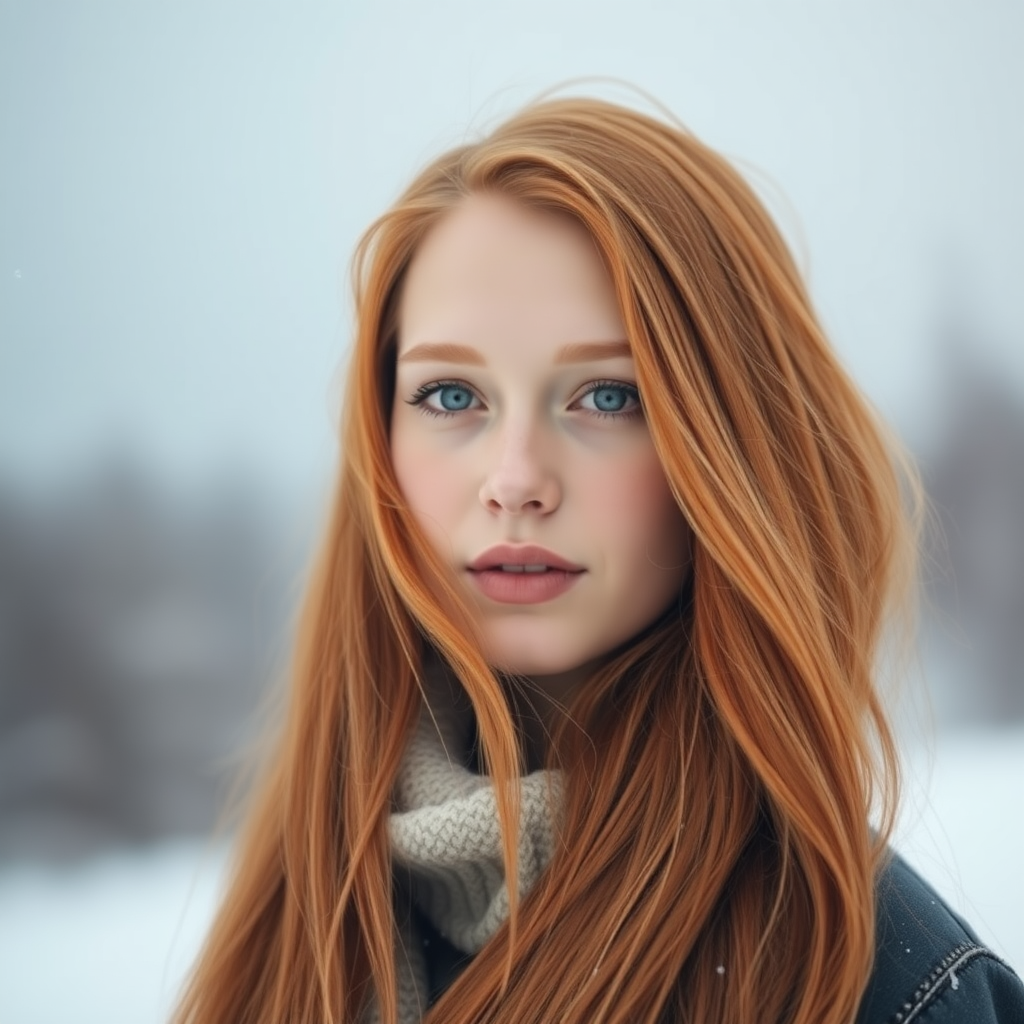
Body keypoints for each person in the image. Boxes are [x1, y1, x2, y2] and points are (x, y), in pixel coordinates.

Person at [172, 95, 1024, 1024]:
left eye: (608, 397)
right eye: (452, 394)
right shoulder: (303, 920)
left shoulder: (886, 990)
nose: (515, 481)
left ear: (733, 442)